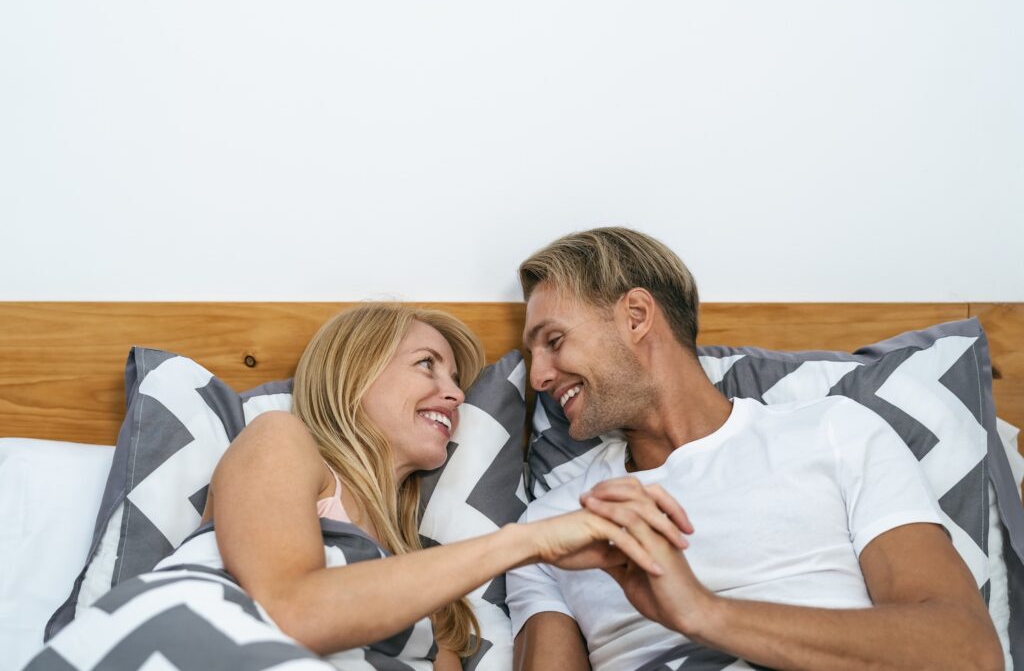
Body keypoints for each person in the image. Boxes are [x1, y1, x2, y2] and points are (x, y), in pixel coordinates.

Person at [28, 303, 689, 671]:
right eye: (426, 365)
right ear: (352, 375)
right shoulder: (282, 441)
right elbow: (292, 608)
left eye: (457, 376)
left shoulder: (432, 597)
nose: (454, 392)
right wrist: (528, 541)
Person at [507, 228, 1004, 671]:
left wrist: (704, 614)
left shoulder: (834, 433)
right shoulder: (552, 524)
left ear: (636, 316)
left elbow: (967, 653)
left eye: (554, 340)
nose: (539, 376)